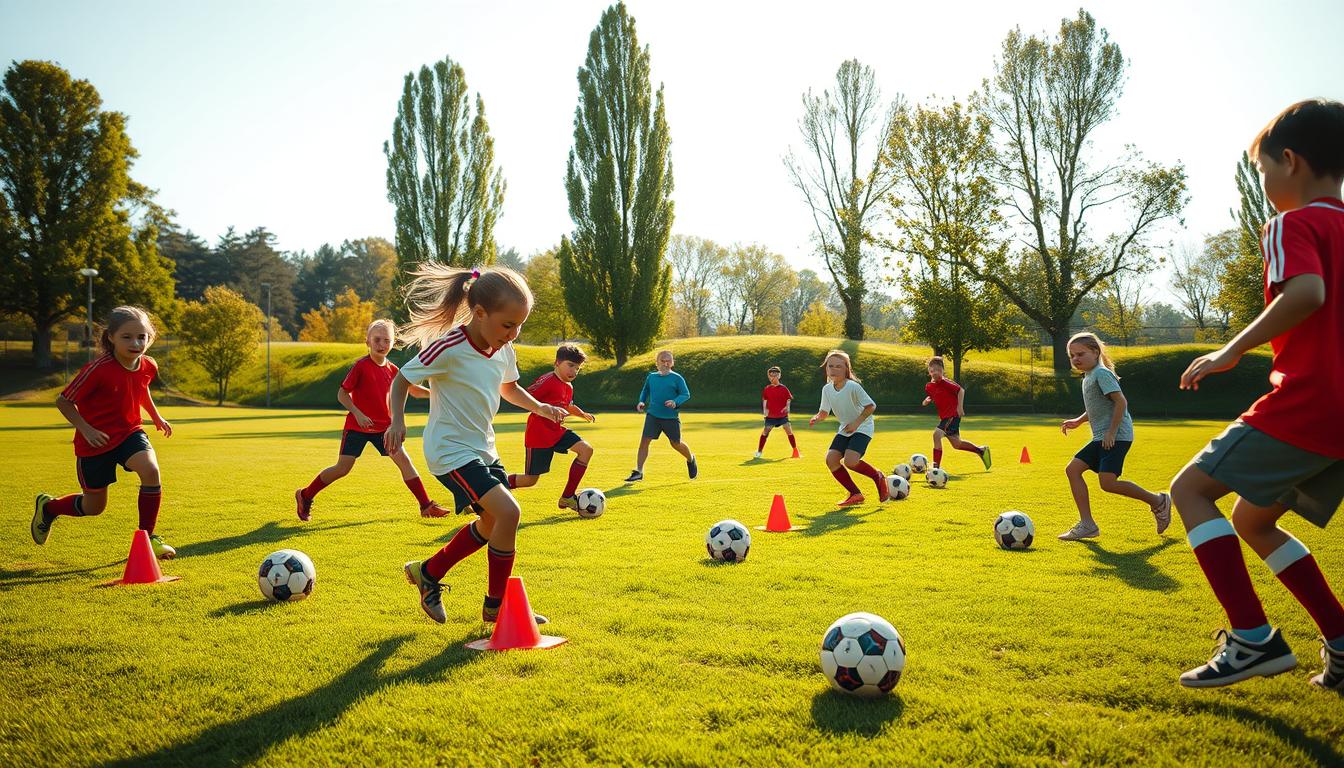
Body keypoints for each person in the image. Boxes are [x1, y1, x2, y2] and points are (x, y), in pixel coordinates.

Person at [1170, 99, 1344, 689]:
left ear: (1290, 162)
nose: (1264, 183)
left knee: (1190, 489)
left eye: (1263, 170)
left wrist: (1231, 349)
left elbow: (1307, 294)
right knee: (1253, 519)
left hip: (1309, 402)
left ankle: (1251, 637)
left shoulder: (1293, 225)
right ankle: (1342, 642)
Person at [388, 265, 567, 625]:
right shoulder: (450, 346)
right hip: (449, 450)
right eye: (507, 325)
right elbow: (402, 378)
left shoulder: (504, 348)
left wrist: (541, 407)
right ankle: (496, 607)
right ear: (480, 313)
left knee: (491, 523)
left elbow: (509, 387)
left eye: (520, 325)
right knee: (509, 514)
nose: (513, 333)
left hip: (484, 449)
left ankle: (428, 572)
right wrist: (397, 420)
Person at [32, 306, 177, 559]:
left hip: (130, 432)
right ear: (111, 337)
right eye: (127, 337)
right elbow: (64, 401)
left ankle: (148, 537)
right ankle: (50, 507)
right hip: (95, 443)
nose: (136, 343)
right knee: (93, 506)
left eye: (142, 337)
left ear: (150, 337)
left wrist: (155, 417)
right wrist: (86, 430)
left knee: (151, 470)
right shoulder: (97, 369)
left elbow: (141, 389)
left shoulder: (148, 365)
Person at [294, 319, 448, 521]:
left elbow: (413, 391)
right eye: (377, 339)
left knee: (405, 462)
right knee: (342, 468)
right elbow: (342, 394)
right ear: (367, 341)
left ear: (392, 344)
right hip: (357, 427)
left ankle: (426, 506)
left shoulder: (393, 370)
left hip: (384, 429)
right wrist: (358, 413)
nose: (381, 344)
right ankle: (305, 495)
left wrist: (436, 393)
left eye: (386, 340)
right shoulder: (360, 366)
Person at [1057, 332, 1171, 541]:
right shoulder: (1089, 376)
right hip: (1101, 436)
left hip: (1116, 436)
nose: (1076, 359)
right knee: (1073, 470)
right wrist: (1079, 421)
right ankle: (1088, 525)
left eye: (1080, 354)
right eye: (1072, 356)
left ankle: (1158, 501)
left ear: (1095, 351)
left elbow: (1121, 402)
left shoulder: (1101, 374)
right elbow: (1098, 406)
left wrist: (1111, 432)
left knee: (1107, 483)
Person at [507, 344, 597, 510]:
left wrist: (582, 414)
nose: (574, 371)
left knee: (586, 450)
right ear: (557, 363)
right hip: (539, 434)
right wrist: (542, 409)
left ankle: (567, 497)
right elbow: (526, 396)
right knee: (530, 480)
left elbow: (569, 405)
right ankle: (491, 487)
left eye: (577, 368)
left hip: (557, 432)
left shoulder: (568, 386)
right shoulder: (548, 380)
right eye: (570, 365)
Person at [808, 350, 889, 506]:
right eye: (830, 366)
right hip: (845, 429)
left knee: (851, 461)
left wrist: (856, 423)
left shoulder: (853, 386)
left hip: (863, 427)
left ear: (846, 369)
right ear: (826, 369)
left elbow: (871, 406)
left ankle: (877, 476)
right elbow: (824, 412)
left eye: (838, 366)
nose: (833, 369)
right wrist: (817, 417)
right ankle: (855, 494)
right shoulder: (827, 389)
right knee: (831, 459)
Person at [624, 349, 696, 482]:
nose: (666, 363)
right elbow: (645, 390)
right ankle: (639, 472)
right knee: (644, 441)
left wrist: (675, 401)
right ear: (657, 363)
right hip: (653, 415)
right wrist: (641, 401)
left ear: (672, 363)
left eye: (668, 361)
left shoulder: (677, 378)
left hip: (670, 418)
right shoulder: (651, 377)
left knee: (676, 443)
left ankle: (690, 459)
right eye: (662, 361)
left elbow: (686, 394)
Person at [921, 356, 990, 470]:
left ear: (942, 371)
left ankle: (936, 467)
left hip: (952, 416)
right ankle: (981, 450)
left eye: (938, 370)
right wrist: (926, 401)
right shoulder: (929, 386)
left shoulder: (946, 382)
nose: (935, 373)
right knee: (957, 444)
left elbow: (961, 391)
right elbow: (933, 395)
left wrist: (960, 407)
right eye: (932, 370)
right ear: (929, 372)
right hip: (945, 417)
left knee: (936, 435)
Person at [756, 365, 799, 459]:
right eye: (770, 375)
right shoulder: (767, 388)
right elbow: (765, 400)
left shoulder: (784, 388)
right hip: (771, 416)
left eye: (775, 375)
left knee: (788, 430)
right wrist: (765, 410)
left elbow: (788, 399)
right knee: (765, 432)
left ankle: (795, 451)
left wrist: (787, 408)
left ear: (779, 376)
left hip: (782, 416)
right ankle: (759, 452)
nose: (772, 377)